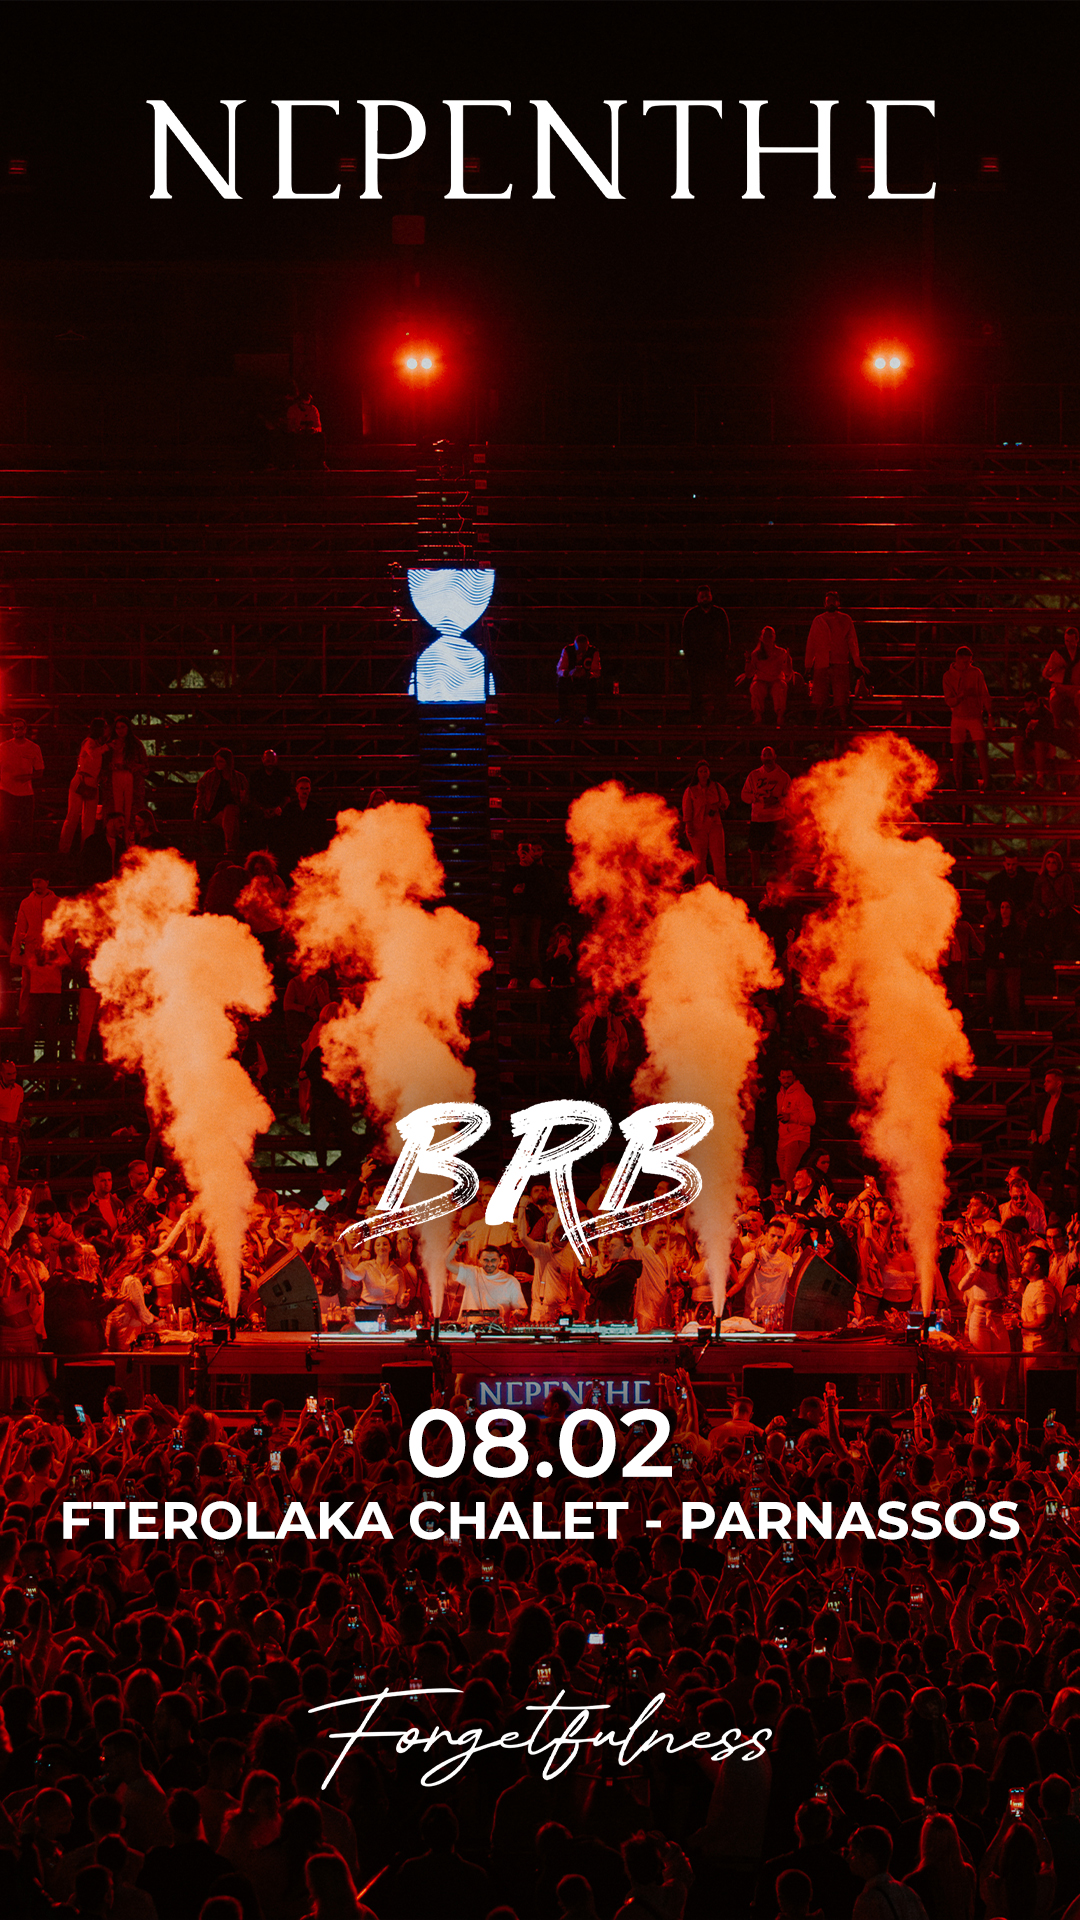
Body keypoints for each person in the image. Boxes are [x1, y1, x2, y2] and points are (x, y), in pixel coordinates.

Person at [805, 591, 866, 727]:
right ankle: (819, 719)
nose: (831, 603)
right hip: (822, 661)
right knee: (820, 694)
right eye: (829, 601)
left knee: (841, 695)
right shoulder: (818, 620)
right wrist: (808, 663)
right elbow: (811, 642)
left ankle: (843, 720)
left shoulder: (845, 619)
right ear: (824, 604)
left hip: (840, 661)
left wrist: (857, 660)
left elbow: (852, 641)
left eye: (833, 601)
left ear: (838, 602)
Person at [848, 1827, 929, 1920]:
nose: (848, 1858)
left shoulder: (869, 1900)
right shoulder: (908, 1893)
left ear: (869, 1859)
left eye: (853, 1854)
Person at [942, 647, 992, 792]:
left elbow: (984, 693)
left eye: (969, 662)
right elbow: (949, 701)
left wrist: (990, 714)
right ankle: (958, 785)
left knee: (982, 749)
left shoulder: (976, 673)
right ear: (957, 660)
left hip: (974, 715)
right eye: (964, 662)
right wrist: (960, 697)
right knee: (957, 753)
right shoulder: (948, 676)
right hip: (958, 716)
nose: (967, 665)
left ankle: (987, 783)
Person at [59, 715, 111, 854]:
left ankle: (84, 850)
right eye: (105, 727)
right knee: (73, 816)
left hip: (91, 782)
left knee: (89, 821)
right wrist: (107, 747)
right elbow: (93, 754)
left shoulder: (97, 744)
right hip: (83, 780)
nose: (108, 729)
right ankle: (64, 849)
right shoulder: (89, 742)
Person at [742, 746, 792, 888]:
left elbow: (790, 797)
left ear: (775, 757)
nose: (767, 757)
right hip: (758, 819)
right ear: (761, 757)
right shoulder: (754, 775)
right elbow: (744, 795)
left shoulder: (783, 776)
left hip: (776, 819)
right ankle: (755, 882)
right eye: (765, 755)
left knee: (779, 852)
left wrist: (777, 800)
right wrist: (756, 798)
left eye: (770, 755)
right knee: (755, 852)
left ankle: (783, 883)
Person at [1029, 1067, 1077, 1213]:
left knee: (1057, 1181)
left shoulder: (1068, 1103)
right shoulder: (1041, 1100)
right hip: (1040, 1145)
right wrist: (1033, 1130)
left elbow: (1070, 1127)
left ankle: (1055, 1213)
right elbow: (1032, 1117)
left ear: (1058, 1083)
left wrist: (1051, 1135)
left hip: (1057, 1147)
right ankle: (1032, 1209)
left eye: (1048, 1081)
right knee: (1031, 1178)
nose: (1045, 1084)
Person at [681, 585, 728, 721]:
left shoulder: (719, 613)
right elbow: (685, 638)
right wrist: (689, 657)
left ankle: (719, 717)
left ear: (711, 596)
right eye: (702, 596)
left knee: (718, 689)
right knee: (696, 689)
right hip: (697, 658)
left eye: (707, 596)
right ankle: (696, 717)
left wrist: (723, 654)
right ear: (697, 598)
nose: (705, 599)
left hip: (715, 657)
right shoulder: (691, 615)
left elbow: (726, 636)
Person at [0, 715, 44, 851]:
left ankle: (24, 852)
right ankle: (5, 851)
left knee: (26, 825)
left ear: (25, 729)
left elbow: (40, 771)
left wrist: (26, 777)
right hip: (6, 790)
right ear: (12, 730)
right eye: (15, 728)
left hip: (25, 792)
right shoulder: (3, 747)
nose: (17, 730)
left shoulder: (33, 748)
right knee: (4, 823)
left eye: (20, 728)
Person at [682, 760, 729, 886]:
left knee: (718, 856)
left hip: (714, 824)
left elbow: (726, 801)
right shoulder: (691, 790)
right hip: (697, 826)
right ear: (697, 773)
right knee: (699, 858)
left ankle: (722, 883)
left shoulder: (717, 787)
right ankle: (700, 885)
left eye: (705, 771)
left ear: (709, 772)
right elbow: (687, 809)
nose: (703, 774)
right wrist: (689, 825)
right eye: (701, 771)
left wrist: (718, 805)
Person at [984, 898, 1026, 1029]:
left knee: (1013, 998)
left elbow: (1017, 947)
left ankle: (1016, 1026)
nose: (1004, 910)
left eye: (1007, 907)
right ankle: (991, 1024)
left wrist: (1005, 952)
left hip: (1011, 965)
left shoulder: (1017, 928)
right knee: (991, 995)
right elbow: (990, 946)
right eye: (1002, 907)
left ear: (1012, 910)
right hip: (995, 964)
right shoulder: (993, 926)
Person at [195, 750, 248, 855]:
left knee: (230, 810)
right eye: (217, 761)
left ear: (228, 762)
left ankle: (229, 848)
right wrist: (198, 807)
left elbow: (245, 799)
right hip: (214, 812)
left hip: (234, 811)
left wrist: (243, 797)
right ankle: (231, 849)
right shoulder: (210, 775)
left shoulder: (238, 777)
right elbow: (200, 791)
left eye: (221, 761)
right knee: (232, 822)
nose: (218, 764)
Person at [103, 717, 149, 839]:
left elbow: (144, 765)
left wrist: (131, 766)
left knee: (130, 808)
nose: (120, 730)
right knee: (116, 808)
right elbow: (103, 762)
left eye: (123, 727)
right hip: (114, 778)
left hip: (130, 778)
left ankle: (129, 836)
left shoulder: (135, 744)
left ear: (128, 728)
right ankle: (116, 836)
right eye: (118, 728)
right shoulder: (110, 743)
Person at [1030, 849, 1076, 963]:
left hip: (1061, 911)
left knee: (1059, 926)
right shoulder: (1040, 879)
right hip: (1044, 911)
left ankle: (1056, 955)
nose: (1051, 865)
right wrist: (1040, 910)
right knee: (1035, 924)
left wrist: (1056, 910)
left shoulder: (1065, 878)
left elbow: (1069, 899)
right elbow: (1036, 898)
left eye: (1054, 862)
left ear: (1058, 864)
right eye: (1048, 862)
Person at [248, 749, 293, 857]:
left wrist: (279, 808)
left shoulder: (283, 776)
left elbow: (287, 797)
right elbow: (251, 797)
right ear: (262, 760)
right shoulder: (256, 776)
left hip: (278, 811)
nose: (270, 763)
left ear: (276, 760)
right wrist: (261, 810)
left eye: (272, 760)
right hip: (260, 812)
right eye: (268, 760)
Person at [746, 626, 794, 727]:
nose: (768, 638)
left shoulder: (781, 653)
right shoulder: (756, 654)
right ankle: (757, 715)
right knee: (756, 688)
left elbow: (787, 671)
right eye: (765, 636)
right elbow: (749, 674)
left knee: (779, 687)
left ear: (774, 637)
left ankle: (780, 716)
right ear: (761, 637)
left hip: (776, 679)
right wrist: (748, 661)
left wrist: (789, 662)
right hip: (761, 680)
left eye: (770, 636)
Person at [776, 1067, 816, 1184]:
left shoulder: (801, 1095)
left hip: (797, 1137)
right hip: (783, 1139)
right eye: (784, 1077)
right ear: (779, 1078)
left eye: (789, 1077)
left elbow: (811, 1119)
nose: (786, 1080)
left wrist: (791, 1117)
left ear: (794, 1077)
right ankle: (786, 1194)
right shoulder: (780, 1095)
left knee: (788, 1171)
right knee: (783, 1174)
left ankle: (791, 1195)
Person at [556, 634, 601, 725]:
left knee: (593, 684)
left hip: (586, 682)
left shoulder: (593, 651)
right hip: (571, 681)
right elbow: (559, 670)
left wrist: (587, 674)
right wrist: (569, 673)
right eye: (579, 651)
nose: (581, 654)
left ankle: (590, 716)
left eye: (583, 651)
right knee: (561, 683)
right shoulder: (567, 650)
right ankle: (564, 716)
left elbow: (597, 672)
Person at [1043, 625, 1080, 729]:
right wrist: (1050, 672)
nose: (1068, 644)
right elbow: (1045, 673)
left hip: (1076, 688)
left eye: (1071, 641)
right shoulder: (1058, 654)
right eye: (1066, 641)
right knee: (1054, 699)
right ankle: (1057, 726)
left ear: (1077, 639)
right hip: (1060, 687)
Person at [285, 390, 326, 467]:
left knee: (321, 436)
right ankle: (292, 462)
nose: (305, 407)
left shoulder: (313, 409)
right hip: (298, 434)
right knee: (290, 437)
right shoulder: (292, 409)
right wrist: (297, 430)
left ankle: (321, 462)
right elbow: (289, 426)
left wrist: (314, 430)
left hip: (310, 434)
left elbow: (319, 427)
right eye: (303, 404)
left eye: (307, 404)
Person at [0, 1057, 24, 1184]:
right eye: (9, 1074)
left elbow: (19, 1113)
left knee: (12, 1179)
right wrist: (6, 1125)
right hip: (1, 1140)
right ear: (2, 1073)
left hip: (14, 1140)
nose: (13, 1076)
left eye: (14, 1073)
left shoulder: (19, 1090)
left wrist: (22, 1122)